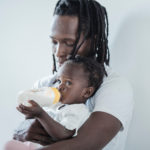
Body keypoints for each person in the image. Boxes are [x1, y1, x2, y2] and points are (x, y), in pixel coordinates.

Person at [13, 0, 134, 150]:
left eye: (69, 43)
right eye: (54, 42)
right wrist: (23, 128)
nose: (58, 52)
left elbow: (84, 145)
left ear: (93, 40)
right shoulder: (44, 85)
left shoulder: (114, 87)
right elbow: (25, 134)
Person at [5, 56, 104, 150]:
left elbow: (65, 135)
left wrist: (40, 114)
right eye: (59, 80)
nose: (60, 86)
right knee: (10, 144)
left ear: (86, 92)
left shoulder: (78, 111)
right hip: (34, 145)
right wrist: (29, 114)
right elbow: (35, 125)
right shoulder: (54, 104)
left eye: (68, 83)